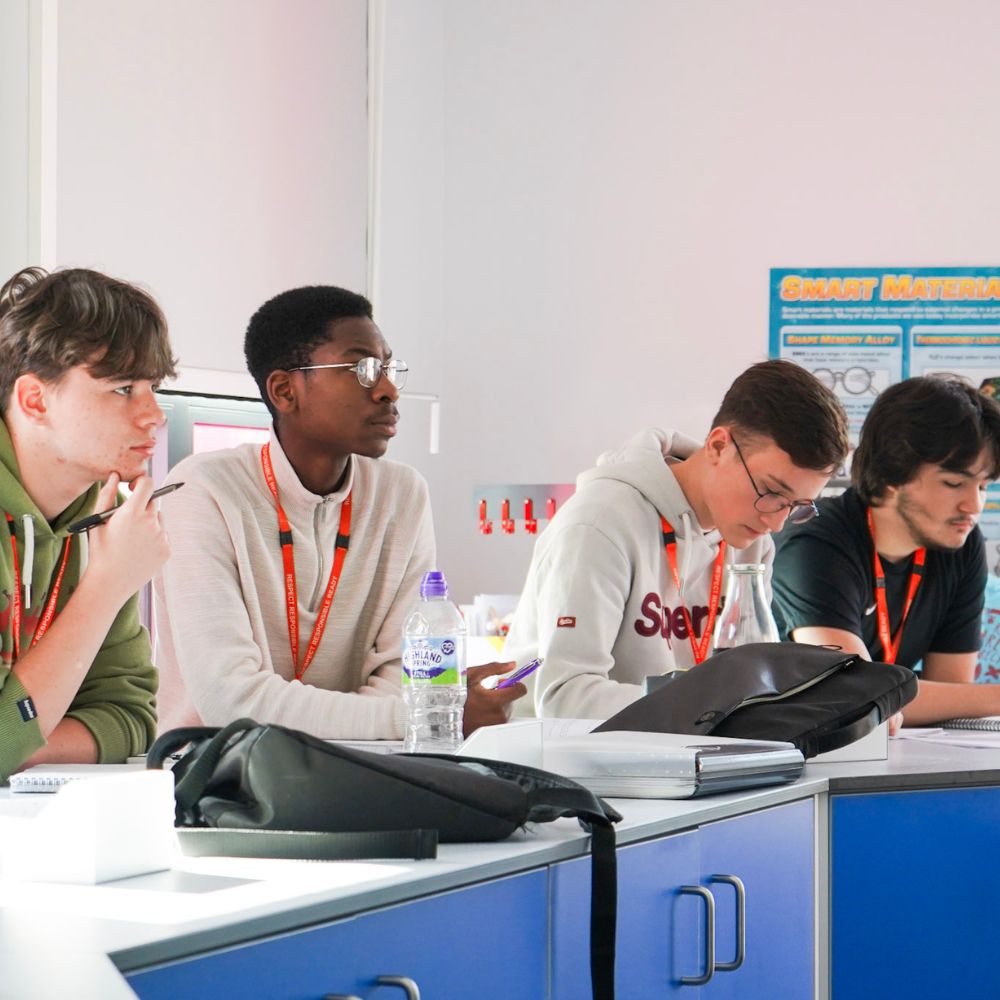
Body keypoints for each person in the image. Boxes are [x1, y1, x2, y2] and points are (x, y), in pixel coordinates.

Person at [154, 285, 523, 739]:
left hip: (356, 771)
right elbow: (231, 700)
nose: (388, 391)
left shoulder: (401, 494)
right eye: (363, 369)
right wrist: (418, 717)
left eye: (389, 369)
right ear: (285, 390)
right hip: (214, 780)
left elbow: (403, 673)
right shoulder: (202, 490)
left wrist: (412, 711)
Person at [503, 359, 850, 720]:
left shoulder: (751, 543)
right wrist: (705, 702)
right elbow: (563, 699)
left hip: (682, 754)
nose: (777, 522)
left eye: (796, 506)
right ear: (718, 446)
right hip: (565, 763)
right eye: (771, 491)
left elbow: (751, 682)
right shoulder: (600, 523)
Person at [0, 266, 175, 780]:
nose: (155, 415)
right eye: (123, 388)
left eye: (152, 386)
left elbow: (133, 716)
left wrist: (17, 743)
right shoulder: (113, 550)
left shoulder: (98, 518)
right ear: (35, 400)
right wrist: (106, 585)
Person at [772, 376, 1000, 725]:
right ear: (894, 471)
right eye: (954, 483)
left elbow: (956, 696)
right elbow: (854, 696)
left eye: (983, 486)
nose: (974, 505)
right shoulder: (816, 543)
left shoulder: (960, 543)